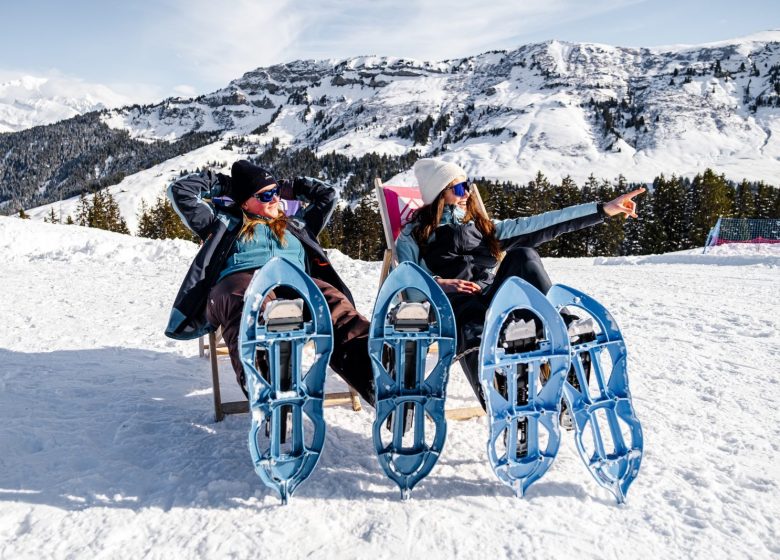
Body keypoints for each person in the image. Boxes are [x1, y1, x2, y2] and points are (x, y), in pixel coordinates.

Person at [396, 158, 645, 406]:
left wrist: (602, 210)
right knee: (472, 324)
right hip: (452, 305)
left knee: (524, 255)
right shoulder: (414, 235)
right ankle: (497, 398)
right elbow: (407, 288)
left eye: (468, 186)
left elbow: (543, 223)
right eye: (459, 188)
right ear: (440, 193)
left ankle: (563, 327)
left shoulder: (482, 227)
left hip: (490, 295)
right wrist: (440, 284)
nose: (467, 194)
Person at [165, 160, 374, 405]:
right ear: (244, 201)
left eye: (276, 193)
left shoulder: (297, 224)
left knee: (332, 303)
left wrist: (287, 188)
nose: (275, 199)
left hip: (296, 285)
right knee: (252, 305)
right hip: (241, 284)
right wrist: (225, 186)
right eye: (265, 196)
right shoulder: (223, 223)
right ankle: (265, 382)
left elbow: (328, 195)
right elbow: (180, 190)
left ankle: (376, 370)